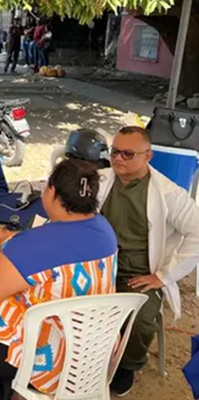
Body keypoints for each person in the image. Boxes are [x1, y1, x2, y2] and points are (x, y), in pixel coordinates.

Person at [0, 159, 118, 400]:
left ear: (52, 192)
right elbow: (60, 246)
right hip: (93, 349)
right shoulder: (104, 229)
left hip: (50, 358)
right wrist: (15, 237)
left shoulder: (34, 244)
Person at [99, 126, 199, 397]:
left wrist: (163, 276)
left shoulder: (169, 194)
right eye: (114, 152)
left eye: (127, 154)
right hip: (99, 267)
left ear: (148, 156)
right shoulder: (100, 180)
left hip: (139, 272)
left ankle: (127, 366)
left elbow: (197, 232)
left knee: (141, 319)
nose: (118, 158)